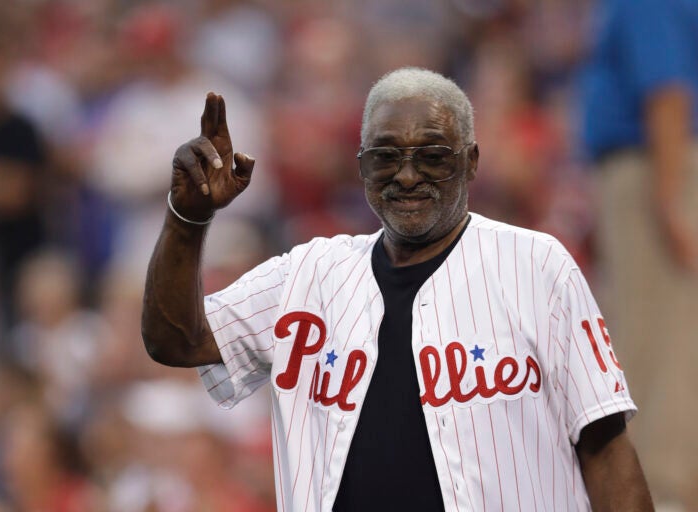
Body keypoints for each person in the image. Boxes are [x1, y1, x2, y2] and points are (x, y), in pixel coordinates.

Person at [143, 67, 653, 511]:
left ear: (470, 161)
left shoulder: (537, 266)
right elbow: (177, 341)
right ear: (362, 166)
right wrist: (187, 219)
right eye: (385, 157)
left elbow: (606, 448)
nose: (406, 176)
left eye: (431, 155)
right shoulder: (308, 273)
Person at [581, 0, 698, 508]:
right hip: (653, 166)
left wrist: (668, 196)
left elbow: (667, 91)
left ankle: (661, 494)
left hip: (655, 166)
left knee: (656, 347)